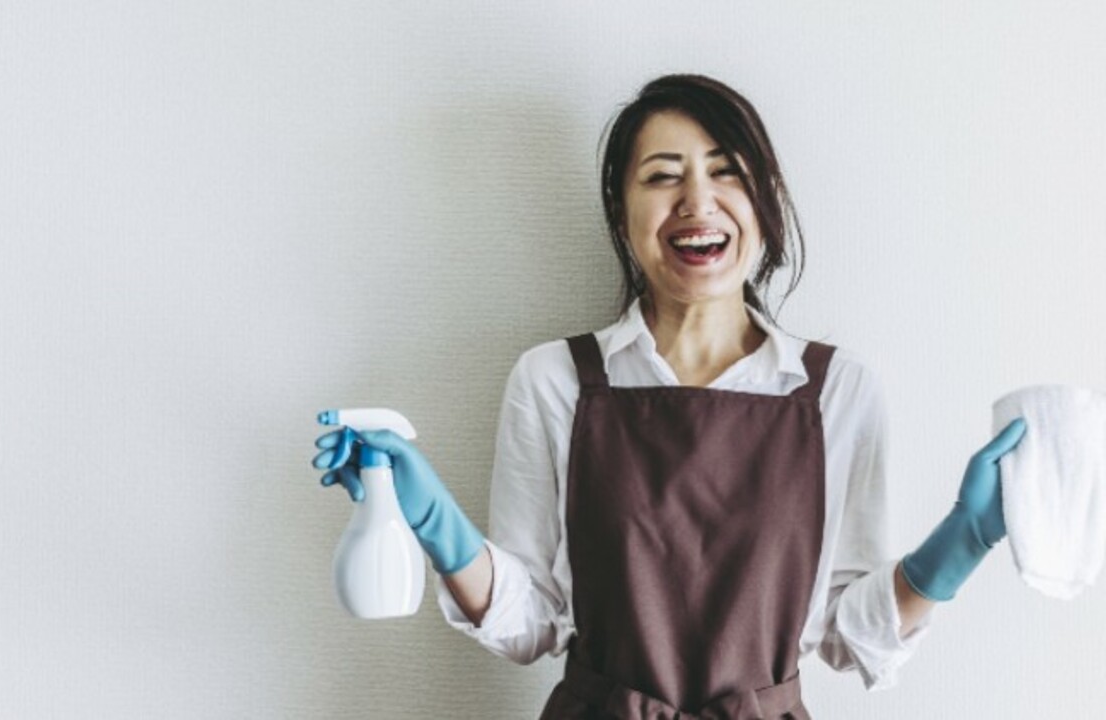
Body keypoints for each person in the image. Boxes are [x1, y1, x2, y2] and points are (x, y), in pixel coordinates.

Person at [312, 74, 1027, 719]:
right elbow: (530, 623)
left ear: (765, 203)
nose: (697, 201)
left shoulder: (835, 391)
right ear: (622, 214)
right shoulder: (556, 381)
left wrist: (964, 540)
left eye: (726, 173)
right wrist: (437, 524)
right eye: (662, 176)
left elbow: (848, 633)